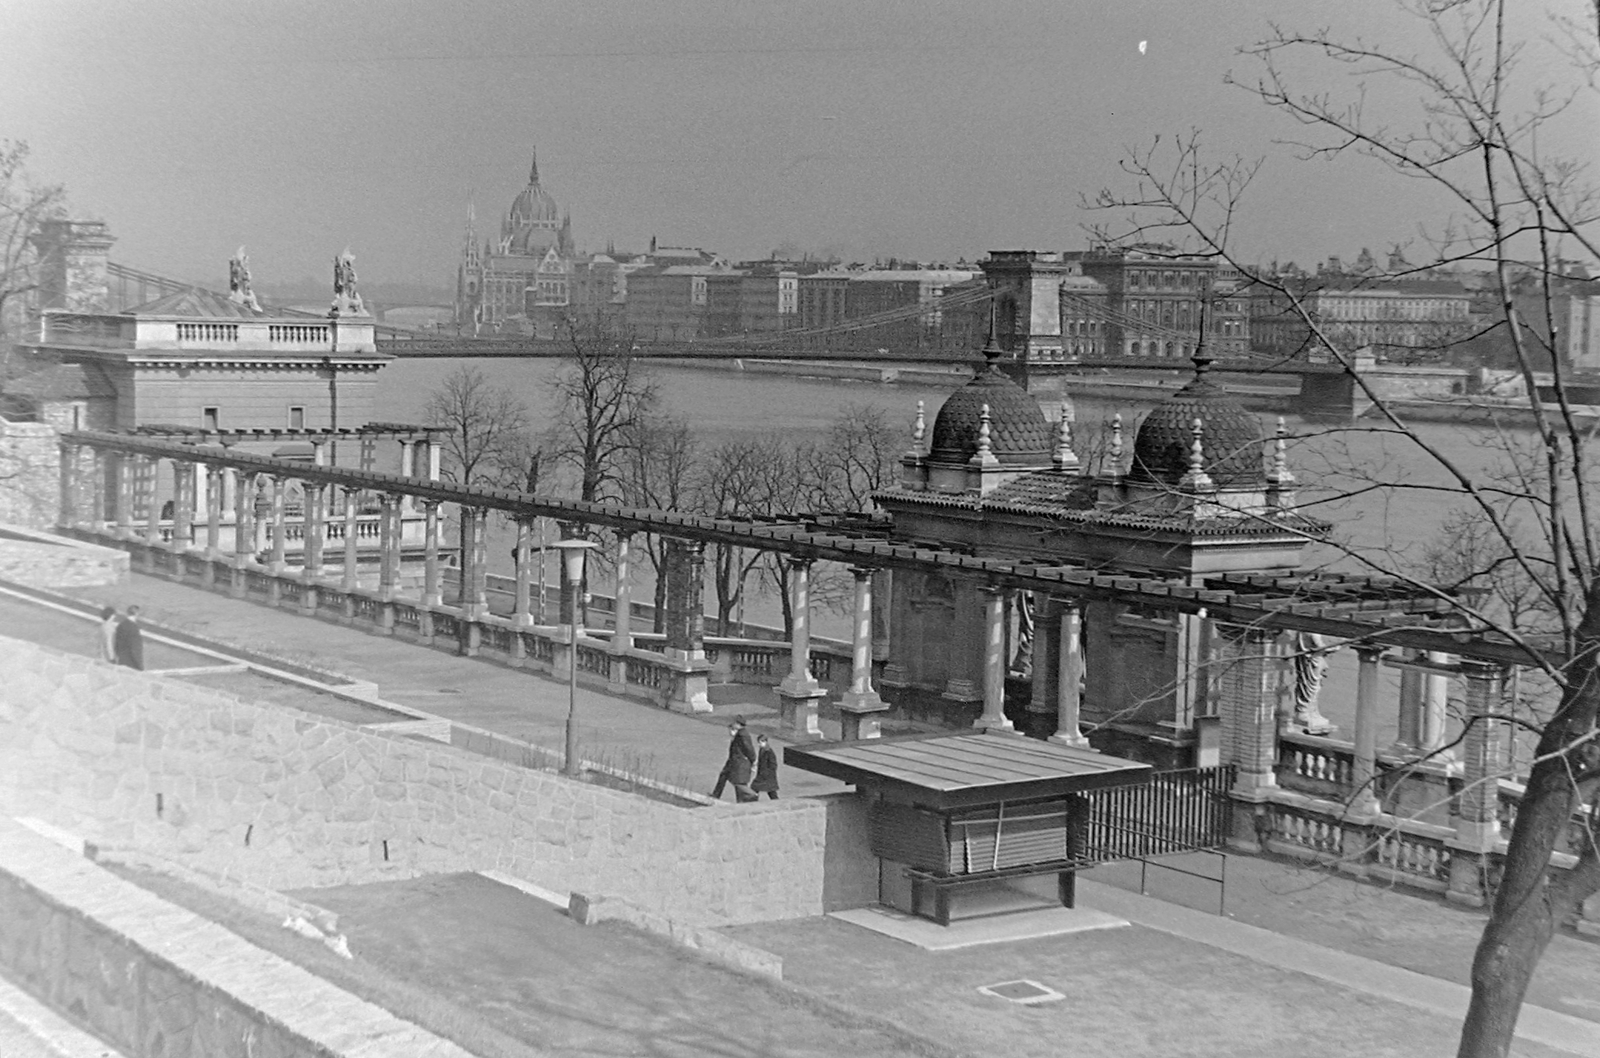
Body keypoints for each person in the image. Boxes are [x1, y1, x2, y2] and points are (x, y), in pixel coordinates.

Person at [710, 716, 757, 802]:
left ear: (739, 724)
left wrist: (753, 760)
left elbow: (749, 749)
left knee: (739, 783)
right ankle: (716, 795)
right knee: (724, 776)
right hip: (733, 762)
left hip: (739, 763)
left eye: (735, 723)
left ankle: (749, 796)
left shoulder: (742, 735)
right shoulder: (740, 734)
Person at [113, 604, 145, 671]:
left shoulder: (121, 625)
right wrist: (140, 666)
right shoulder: (134, 628)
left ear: (127, 613)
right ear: (137, 614)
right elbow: (135, 648)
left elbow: (116, 645)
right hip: (131, 664)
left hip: (121, 660)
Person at [751, 734, 779, 800]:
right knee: (757, 788)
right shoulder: (762, 750)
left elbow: (773, 765)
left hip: (767, 776)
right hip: (762, 775)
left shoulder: (769, 752)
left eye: (760, 742)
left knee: (770, 791)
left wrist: (767, 772)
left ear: (765, 742)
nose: (759, 744)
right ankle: (753, 799)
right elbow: (761, 760)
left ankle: (752, 800)